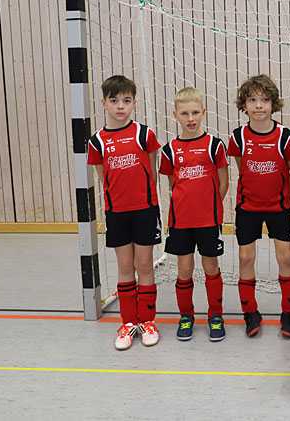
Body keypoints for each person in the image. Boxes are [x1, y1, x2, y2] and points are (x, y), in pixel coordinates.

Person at [87, 75, 162, 350]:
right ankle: (129, 323)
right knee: (124, 267)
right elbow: (102, 177)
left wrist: (147, 202)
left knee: (144, 266)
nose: (121, 106)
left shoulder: (145, 134)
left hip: (144, 210)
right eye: (115, 101)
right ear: (104, 103)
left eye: (127, 101)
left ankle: (148, 321)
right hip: (117, 213)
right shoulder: (97, 142)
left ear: (134, 103)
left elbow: (151, 171)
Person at [227, 74, 290, 338]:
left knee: (285, 258)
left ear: (273, 104)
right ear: (244, 105)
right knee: (246, 258)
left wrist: (283, 196)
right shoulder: (238, 137)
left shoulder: (284, 136)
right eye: (252, 100)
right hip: (247, 208)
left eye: (264, 100)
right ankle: (250, 312)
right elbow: (242, 168)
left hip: (278, 208)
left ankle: (288, 312)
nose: (259, 105)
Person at [159, 87, 228, 342]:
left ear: (204, 113)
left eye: (195, 112)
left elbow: (223, 183)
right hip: (181, 221)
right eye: (185, 113)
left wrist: (209, 206)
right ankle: (186, 315)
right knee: (185, 269)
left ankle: (215, 315)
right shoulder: (169, 149)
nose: (191, 118)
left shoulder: (214, 145)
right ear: (176, 115)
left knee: (210, 266)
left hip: (208, 220)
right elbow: (171, 183)